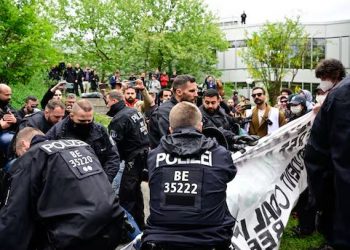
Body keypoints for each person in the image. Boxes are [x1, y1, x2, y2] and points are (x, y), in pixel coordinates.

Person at [0, 127, 124, 250]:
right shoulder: (81, 146)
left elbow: (14, 216)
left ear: (24, 145)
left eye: (18, 154)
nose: (20, 157)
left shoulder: (31, 156)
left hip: (74, 235)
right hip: (113, 223)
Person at [142, 101, 236, 250]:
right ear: (200, 127)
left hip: (161, 240)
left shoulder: (154, 156)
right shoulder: (220, 154)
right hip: (211, 239)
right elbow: (229, 175)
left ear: (170, 129)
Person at [304, 58, 348, 250]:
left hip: (336, 172)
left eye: (323, 77)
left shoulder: (342, 94)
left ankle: (338, 242)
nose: (322, 82)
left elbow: (342, 143)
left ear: (333, 75)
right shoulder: (339, 93)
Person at [46, 99, 120, 183]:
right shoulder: (58, 133)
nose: (86, 123)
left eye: (89, 120)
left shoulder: (100, 131)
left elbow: (113, 156)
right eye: (81, 121)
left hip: (99, 181)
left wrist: (105, 180)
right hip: (70, 184)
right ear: (71, 116)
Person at [107, 90, 149, 229]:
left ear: (113, 101)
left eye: (107, 101)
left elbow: (113, 146)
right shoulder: (132, 112)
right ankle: (140, 224)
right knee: (136, 192)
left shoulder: (119, 118)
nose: (107, 104)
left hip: (133, 158)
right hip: (142, 155)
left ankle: (127, 230)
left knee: (127, 194)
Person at [148, 75, 198, 148]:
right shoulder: (163, 113)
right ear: (179, 92)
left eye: (196, 90)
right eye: (192, 91)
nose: (196, 94)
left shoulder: (188, 108)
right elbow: (167, 142)